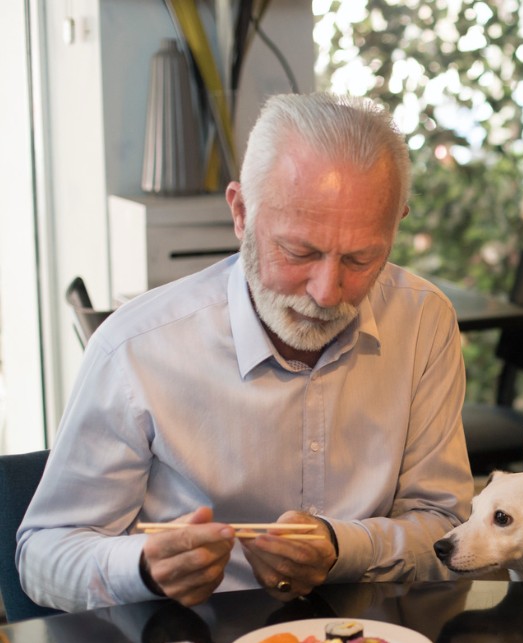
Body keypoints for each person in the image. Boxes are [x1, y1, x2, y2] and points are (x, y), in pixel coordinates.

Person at [18, 92, 472, 612]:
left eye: (362, 258)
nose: (327, 292)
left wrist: (343, 547)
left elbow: (449, 533)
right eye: (299, 252)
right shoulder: (135, 349)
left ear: (396, 227)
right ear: (240, 213)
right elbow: (43, 556)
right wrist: (143, 566)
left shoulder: (422, 322)